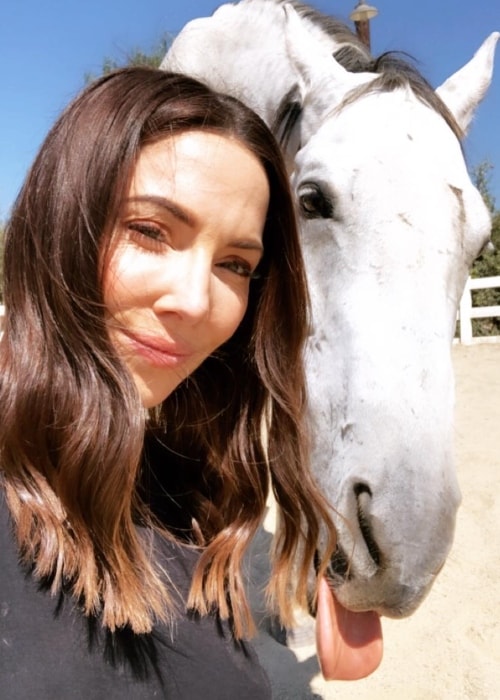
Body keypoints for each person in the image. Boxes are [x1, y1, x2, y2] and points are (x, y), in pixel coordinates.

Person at [0, 67, 382, 699]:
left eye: (236, 264)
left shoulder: (195, 500)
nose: (196, 300)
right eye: (149, 231)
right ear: (63, 216)